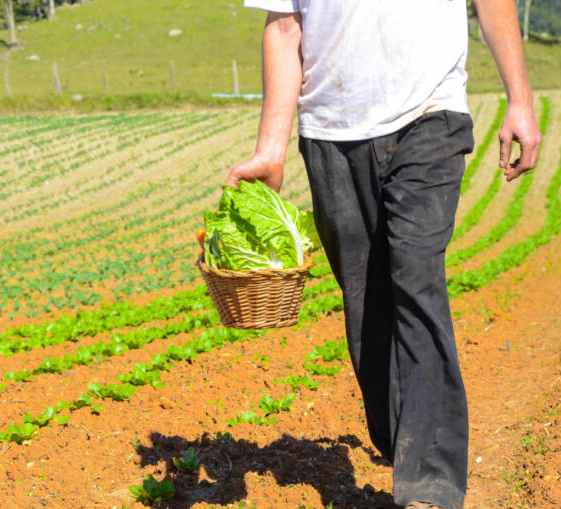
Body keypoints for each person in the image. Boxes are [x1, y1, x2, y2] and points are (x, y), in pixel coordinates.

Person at [225, 1, 541, 508]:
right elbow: (285, 27)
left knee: (416, 275)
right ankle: (405, 441)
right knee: (367, 308)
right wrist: (271, 147)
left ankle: (430, 486)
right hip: (331, 133)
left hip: (430, 115)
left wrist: (519, 99)